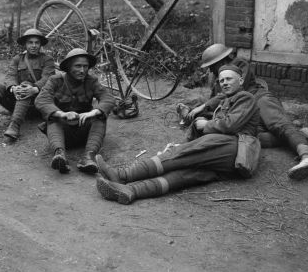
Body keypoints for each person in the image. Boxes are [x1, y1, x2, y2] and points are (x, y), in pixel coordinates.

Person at [96, 64, 260, 205]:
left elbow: (230, 125)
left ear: (240, 80)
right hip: (230, 160)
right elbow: (222, 114)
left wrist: (206, 124)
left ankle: (122, 175)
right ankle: (131, 190)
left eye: (229, 79)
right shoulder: (227, 100)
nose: (224, 83)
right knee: (186, 175)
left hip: (234, 147)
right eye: (222, 80)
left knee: (179, 155)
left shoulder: (245, 97)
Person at [177, 43, 308, 180]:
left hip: (258, 99)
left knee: (278, 125)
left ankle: (307, 157)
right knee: (254, 138)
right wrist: (196, 114)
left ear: (221, 61)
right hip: (241, 114)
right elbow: (218, 105)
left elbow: (231, 92)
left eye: (211, 66)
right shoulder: (219, 81)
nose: (210, 70)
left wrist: (203, 106)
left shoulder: (239, 64)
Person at [34, 48, 115, 174]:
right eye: (77, 66)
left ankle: (88, 157)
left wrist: (93, 112)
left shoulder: (91, 81)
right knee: (53, 118)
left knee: (100, 116)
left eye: (85, 66)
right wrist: (63, 114)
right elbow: (42, 101)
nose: (82, 70)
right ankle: (59, 155)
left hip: (85, 132)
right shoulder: (55, 80)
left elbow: (108, 98)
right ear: (68, 67)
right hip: (62, 134)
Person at [0, 28, 55, 142]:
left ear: (40, 45)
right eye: (30, 42)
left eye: (37, 42)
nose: (33, 45)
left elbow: (48, 78)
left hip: (37, 104)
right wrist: (13, 87)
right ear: (25, 44)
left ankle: (14, 126)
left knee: (25, 85)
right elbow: (10, 76)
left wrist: (34, 89)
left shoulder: (47, 60)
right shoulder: (17, 59)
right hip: (19, 102)